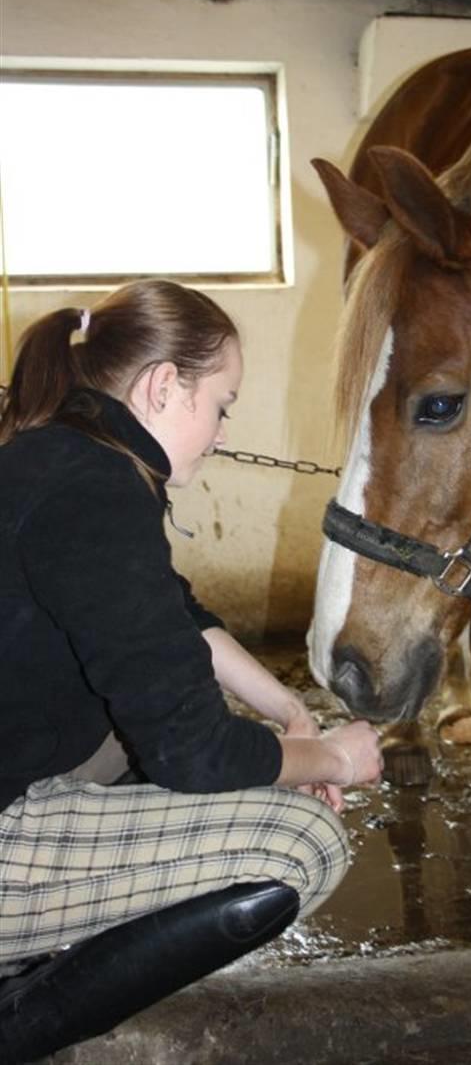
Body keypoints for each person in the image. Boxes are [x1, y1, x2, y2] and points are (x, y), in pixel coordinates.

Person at [0, 279, 383, 1060]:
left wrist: (289, 714)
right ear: (164, 385)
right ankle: (18, 1022)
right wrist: (333, 758)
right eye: (222, 404)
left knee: (163, 737)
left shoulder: (60, 457)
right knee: (304, 841)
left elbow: (174, 615)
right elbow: (192, 751)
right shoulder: (98, 490)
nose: (218, 431)